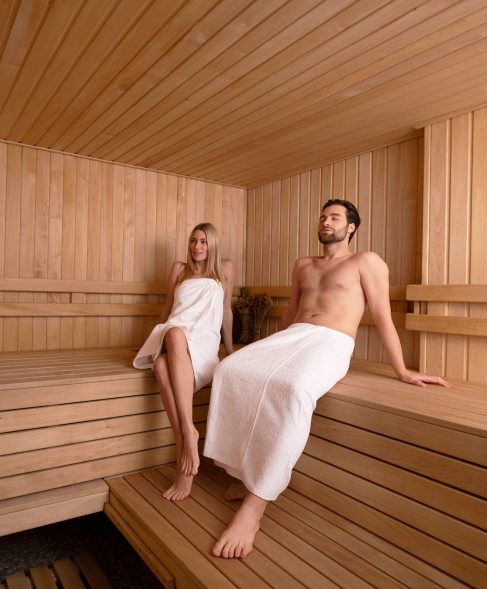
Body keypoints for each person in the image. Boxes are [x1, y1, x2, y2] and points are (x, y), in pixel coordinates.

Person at [204, 199, 450, 559]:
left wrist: (403, 369)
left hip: (331, 341)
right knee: (230, 369)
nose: (326, 222)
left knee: (294, 388)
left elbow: (383, 315)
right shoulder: (303, 265)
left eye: (334, 217)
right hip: (292, 336)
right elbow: (289, 312)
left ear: (350, 227)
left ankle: (255, 507)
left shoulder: (366, 261)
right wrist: (263, 351)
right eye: (323, 217)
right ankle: (248, 473)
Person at [134, 223, 234, 501]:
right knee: (175, 332)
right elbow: (169, 308)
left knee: (161, 366)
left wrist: (229, 350)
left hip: (203, 339)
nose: (197, 247)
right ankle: (190, 433)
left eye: (202, 241)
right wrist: (150, 340)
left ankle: (182, 454)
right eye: (193, 241)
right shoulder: (179, 269)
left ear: (211, 244)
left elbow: (226, 312)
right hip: (175, 331)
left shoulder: (225, 268)